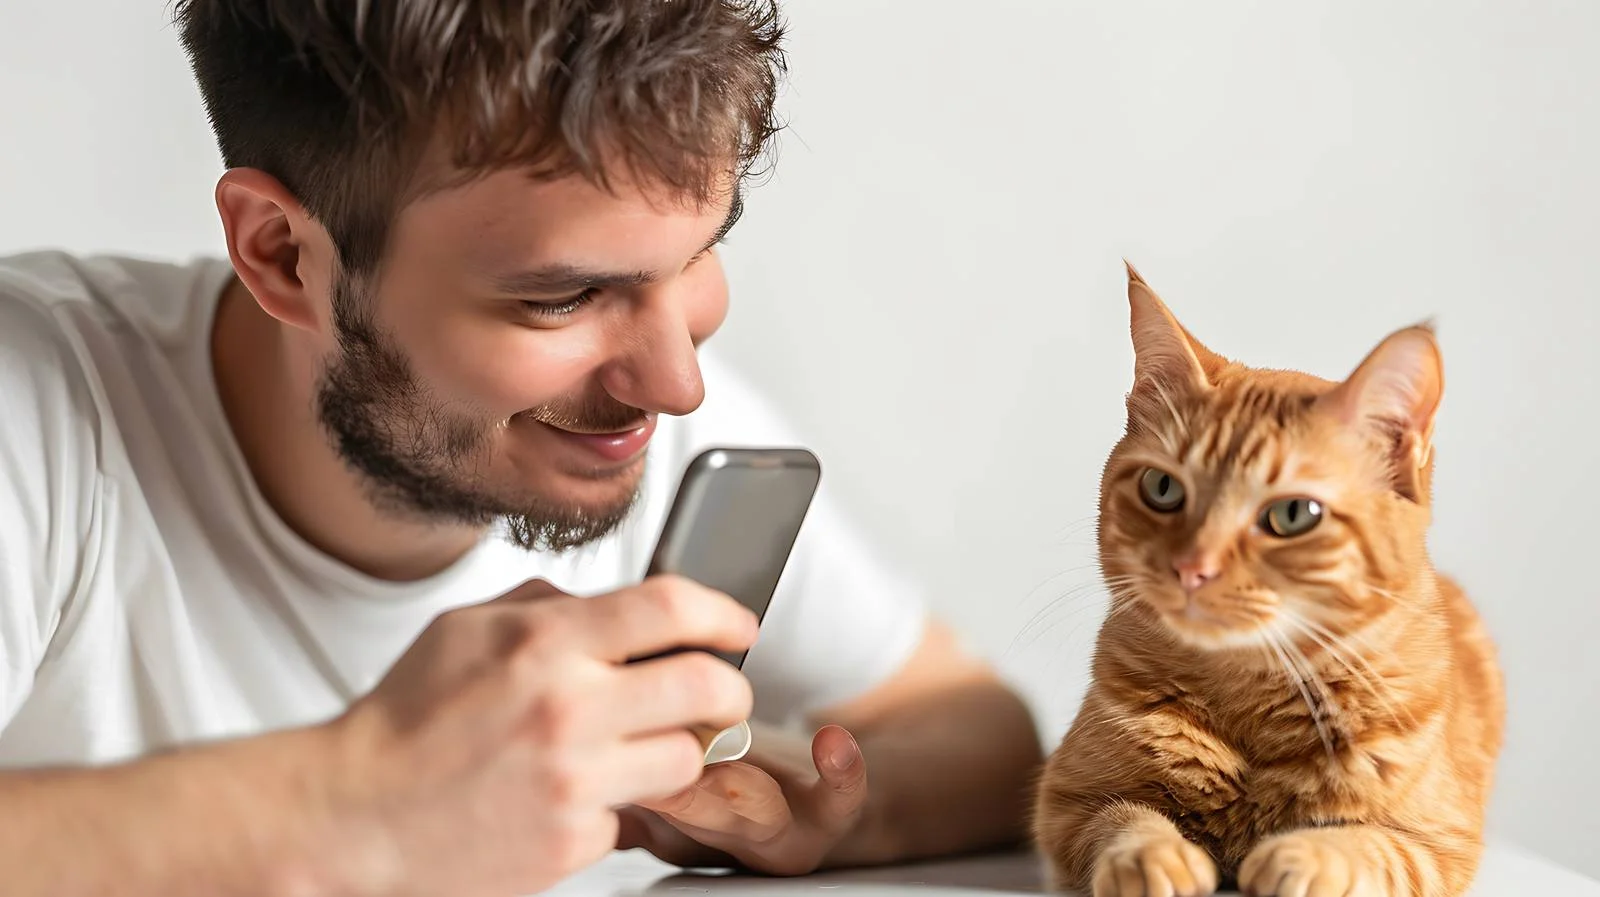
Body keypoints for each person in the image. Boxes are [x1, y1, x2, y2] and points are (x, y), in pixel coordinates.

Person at [0, 2, 1043, 895]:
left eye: (698, 255)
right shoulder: (39, 405)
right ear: (281, 256)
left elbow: (977, 732)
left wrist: (808, 817)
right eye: (560, 297)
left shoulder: (650, 422)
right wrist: (353, 801)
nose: (677, 383)